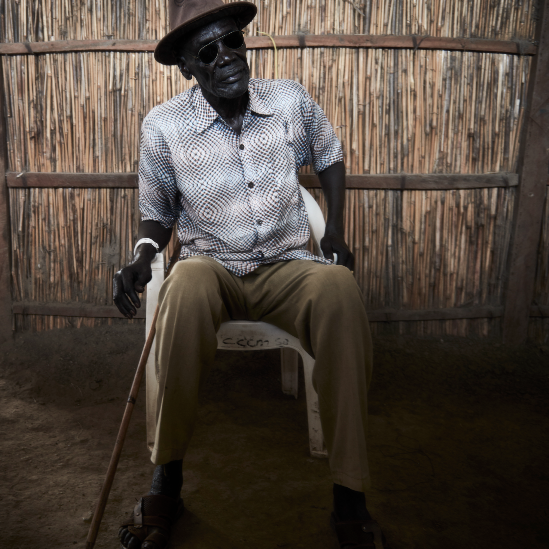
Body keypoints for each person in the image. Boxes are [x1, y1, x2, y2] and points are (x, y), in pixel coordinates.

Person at [111, 1, 382, 547]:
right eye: (208, 51)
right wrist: (143, 257)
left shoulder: (288, 100)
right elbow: (158, 210)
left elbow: (328, 154)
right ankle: (167, 481)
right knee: (183, 286)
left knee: (340, 290)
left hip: (287, 267)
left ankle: (349, 495)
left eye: (233, 41)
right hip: (212, 268)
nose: (227, 56)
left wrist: (333, 230)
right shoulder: (164, 126)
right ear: (187, 67)